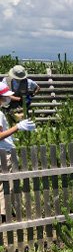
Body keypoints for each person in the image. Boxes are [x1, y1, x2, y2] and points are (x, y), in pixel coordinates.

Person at [0, 83, 36, 221]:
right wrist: (17, 127)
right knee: (5, 186)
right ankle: (4, 215)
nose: (8, 99)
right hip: (3, 153)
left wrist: (10, 135)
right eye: (5, 97)